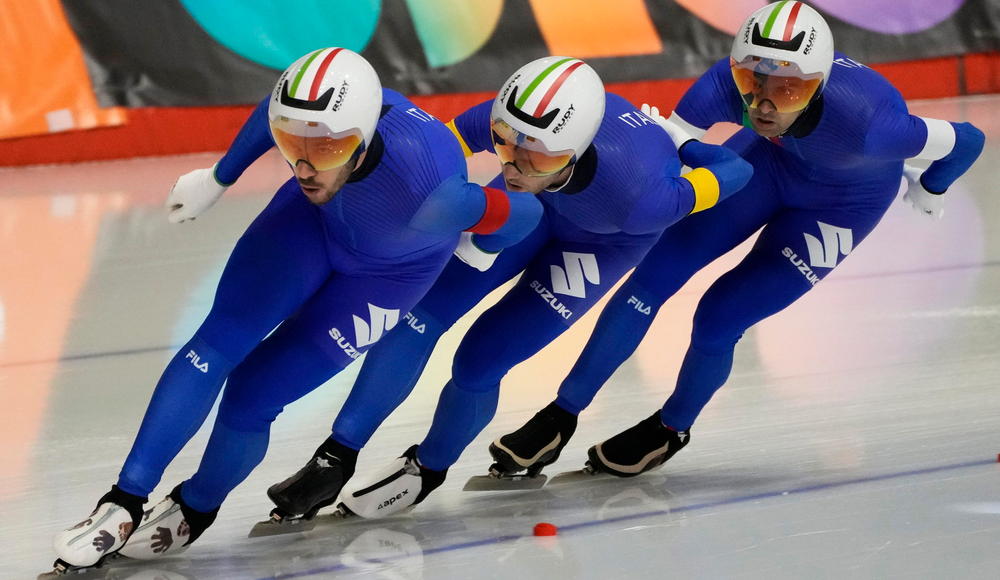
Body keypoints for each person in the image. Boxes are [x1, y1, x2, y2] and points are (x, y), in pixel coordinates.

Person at [49, 47, 543, 573]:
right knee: (213, 347)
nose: (305, 167)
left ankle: (197, 505)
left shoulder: (438, 192)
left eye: (326, 150)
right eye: (294, 147)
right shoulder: (314, 131)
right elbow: (274, 113)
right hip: (311, 227)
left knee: (252, 396)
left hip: (388, 278)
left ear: (363, 140)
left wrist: (481, 248)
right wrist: (219, 178)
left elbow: (526, 212)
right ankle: (122, 502)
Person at [492, 1, 985, 479]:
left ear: (818, 87)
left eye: (788, 91)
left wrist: (931, 183)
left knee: (718, 317)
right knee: (649, 281)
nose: (764, 103)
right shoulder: (724, 87)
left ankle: (671, 427)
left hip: (842, 206)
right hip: (765, 165)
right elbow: (668, 160)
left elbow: (968, 140)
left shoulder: (874, 127)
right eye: (753, 83)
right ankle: (562, 414)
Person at [262, 55, 753, 521]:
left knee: (479, 361)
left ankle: (428, 468)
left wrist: (683, 144)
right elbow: (434, 155)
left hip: (603, 241)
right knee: (416, 316)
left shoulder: (647, 197)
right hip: (524, 214)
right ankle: (336, 456)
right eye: (507, 149)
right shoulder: (510, 122)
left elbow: (738, 170)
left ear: (576, 151)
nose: (515, 168)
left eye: (537, 158)